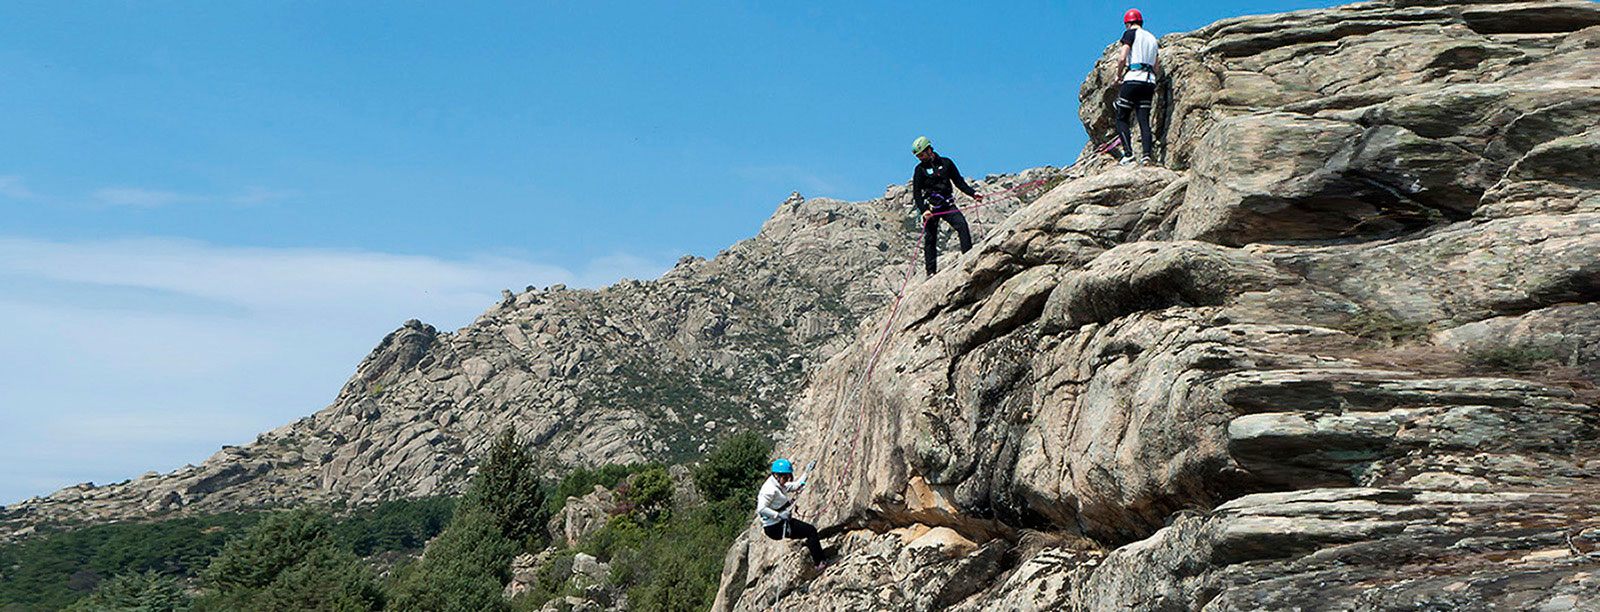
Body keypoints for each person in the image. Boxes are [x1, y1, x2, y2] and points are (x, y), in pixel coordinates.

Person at [910, 136, 982, 276]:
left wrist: (973, 194)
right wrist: (924, 210)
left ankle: (968, 257)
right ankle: (930, 272)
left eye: (922, 155)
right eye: (918, 156)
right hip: (931, 208)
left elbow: (959, 182)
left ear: (929, 150)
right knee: (930, 238)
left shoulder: (946, 163)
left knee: (962, 225)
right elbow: (917, 193)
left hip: (947, 204)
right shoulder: (919, 170)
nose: (920, 158)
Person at [755, 458, 826, 568]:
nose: (786, 479)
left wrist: (807, 472)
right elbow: (761, 508)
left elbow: (795, 486)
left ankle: (817, 558)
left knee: (809, 531)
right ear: (776, 475)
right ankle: (819, 563)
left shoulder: (779, 485)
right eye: (784, 477)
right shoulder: (768, 489)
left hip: (779, 522)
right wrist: (779, 515)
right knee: (811, 531)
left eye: (788, 477)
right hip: (775, 527)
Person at [1114, 8, 1160, 165]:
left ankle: (1128, 154)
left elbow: (1122, 57)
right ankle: (1147, 155)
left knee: (1121, 117)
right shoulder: (1152, 38)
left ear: (1128, 23)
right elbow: (1156, 65)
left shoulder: (1130, 34)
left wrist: (1118, 75)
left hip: (1133, 78)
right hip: (1149, 82)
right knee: (1144, 120)